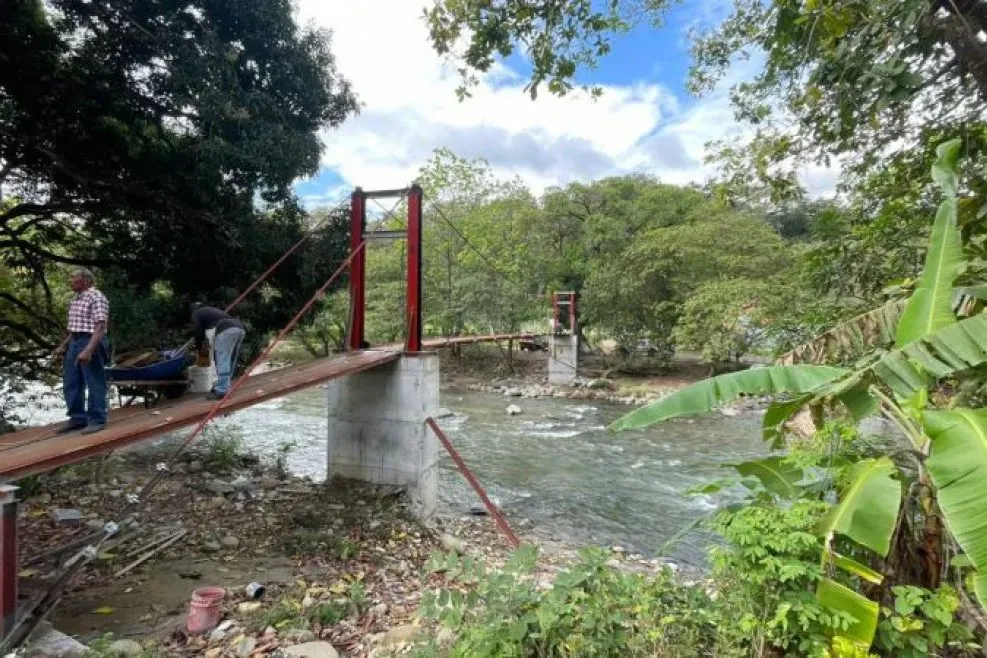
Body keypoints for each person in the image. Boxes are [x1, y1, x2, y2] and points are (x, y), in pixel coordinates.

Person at [53, 267, 110, 434]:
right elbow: (75, 328)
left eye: (73, 278)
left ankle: (97, 419)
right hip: (76, 341)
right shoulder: (76, 299)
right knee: (71, 381)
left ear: (85, 280)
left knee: (94, 380)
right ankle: (78, 418)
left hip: (91, 340)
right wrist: (63, 345)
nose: (70, 281)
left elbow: (100, 326)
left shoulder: (96, 297)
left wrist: (89, 350)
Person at [190, 304, 245, 399]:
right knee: (230, 358)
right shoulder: (214, 310)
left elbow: (198, 332)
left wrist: (200, 351)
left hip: (225, 331)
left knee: (222, 358)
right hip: (239, 328)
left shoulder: (197, 313)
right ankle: (226, 385)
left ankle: (222, 389)